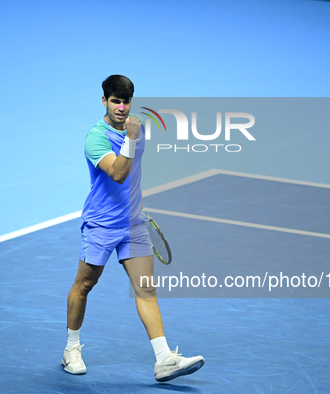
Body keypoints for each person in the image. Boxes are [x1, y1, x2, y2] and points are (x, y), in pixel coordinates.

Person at [62, 75, 205, 382]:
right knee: (84, 285)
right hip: (101, 226)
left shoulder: (136, 130)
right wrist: (131, 138)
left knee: (146, 289)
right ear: (104, 101)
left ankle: (164, 359)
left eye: (126, 101)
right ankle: (71, 349)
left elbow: (135, 178)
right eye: (116, 101)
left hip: (133, 224)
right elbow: (118, 174)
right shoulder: (96, 138)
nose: (122, 108)